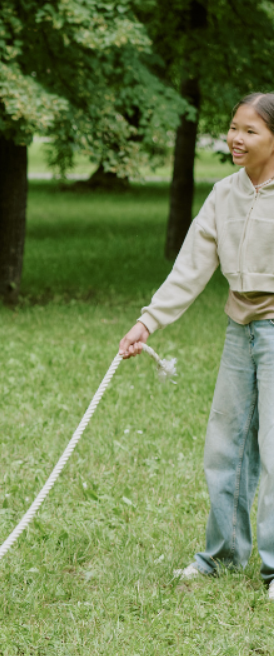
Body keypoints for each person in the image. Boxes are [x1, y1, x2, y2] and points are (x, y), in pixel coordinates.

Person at [120, 93, 274, 599]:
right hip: (240, 327)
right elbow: (190, 267)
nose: (236, 138)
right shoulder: (224, 194)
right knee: (225, 445)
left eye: (250, 130)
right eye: (233, 127)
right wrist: (148, 322)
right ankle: (223, 555)